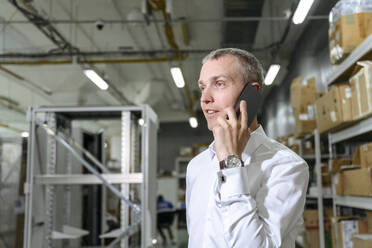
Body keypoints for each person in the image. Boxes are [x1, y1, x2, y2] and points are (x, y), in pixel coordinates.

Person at [186, 48, 309, 247]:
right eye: (202, 87)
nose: (205, 98)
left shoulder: (286, 166)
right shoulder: (196, 166)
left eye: (219, 84)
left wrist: (231, 164)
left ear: (251, 93)